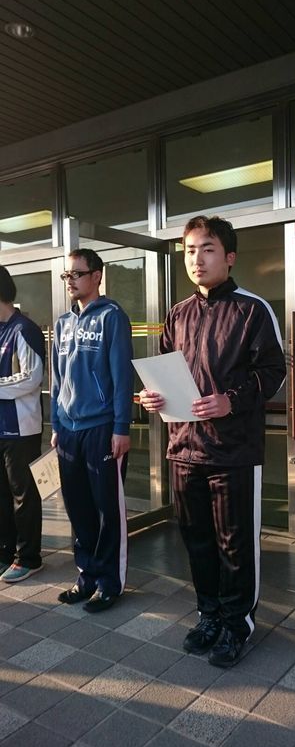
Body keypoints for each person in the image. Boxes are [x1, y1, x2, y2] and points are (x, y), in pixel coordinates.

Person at [140, 215, 285, 667]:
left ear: (229, 257)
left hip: (233, 451)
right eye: (189, 251)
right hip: (184, 449)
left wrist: (230, 401)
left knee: (236, 544)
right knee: (197, 540)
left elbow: (274, 374)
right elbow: (167, 371)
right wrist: (153, 396)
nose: (196, 259)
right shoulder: (178, 313)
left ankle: (238, 624)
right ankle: (209, 614)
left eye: (207, 249)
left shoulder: (252, 310)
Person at [51, 249, 133, 613]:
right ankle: (86, 576)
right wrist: (56, 424)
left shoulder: (112, 317)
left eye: (76, 274)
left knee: (106, 510)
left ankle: (109, 582)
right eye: (66, 275)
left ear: (97, 275)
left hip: (102, 428)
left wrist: (121, 427)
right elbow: (57, 380)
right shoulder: (62, 323)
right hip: (68, 430)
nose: (70, 281)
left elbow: (122, 376)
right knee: (78, 508)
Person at [0, 266, 45, 583]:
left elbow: (32, 378)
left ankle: (28, 557)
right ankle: (5, 553)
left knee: (23, 495)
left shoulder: (24, 329)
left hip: (21, 429)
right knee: (2, 495)